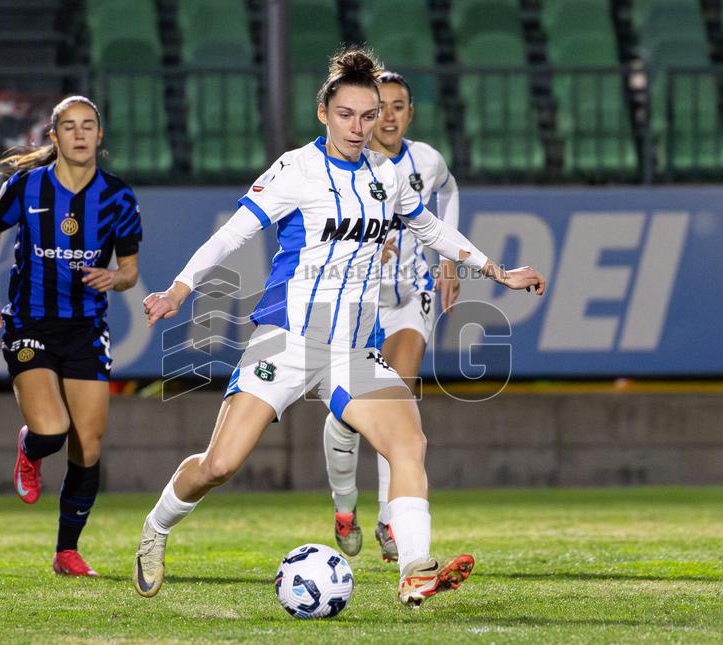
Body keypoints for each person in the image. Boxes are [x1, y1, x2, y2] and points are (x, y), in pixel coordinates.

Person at [133, 47, 545, 607]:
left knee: (409, 443)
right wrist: (181, 288)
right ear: (323, 113)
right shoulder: (295, 170)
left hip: (354, 348)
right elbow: (233, 234)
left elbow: (429, 228)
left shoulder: (387, 174)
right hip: (287, 339)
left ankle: (414, 568)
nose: (358, 127)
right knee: (219, 465)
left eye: (369, 116)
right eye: (347, 114)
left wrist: (497, 271)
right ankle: (156, 528)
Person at [0, 95, 142, 576]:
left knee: (88, 446)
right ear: (54, 136)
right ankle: (30, 448)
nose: (80, 133)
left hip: (86, 328)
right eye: (69, 126)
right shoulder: (25, 186)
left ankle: (66, 552)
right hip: (30, 323)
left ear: (99, 134)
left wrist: (115, 277)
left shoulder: (118, 198)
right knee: (52, 430)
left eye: (88, 125)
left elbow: (130, 271)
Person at [322, 71, 463, 562]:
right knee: (345, 418)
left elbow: (449, 189)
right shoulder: (350, 163)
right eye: (380, 107)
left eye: (398, 106)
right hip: (355, 303)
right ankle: (345, 506)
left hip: (409, 298)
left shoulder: (426, 160)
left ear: (410, 113)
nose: (388, 116)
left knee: (397, 395)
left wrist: (449, 258)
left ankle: (389, 521)